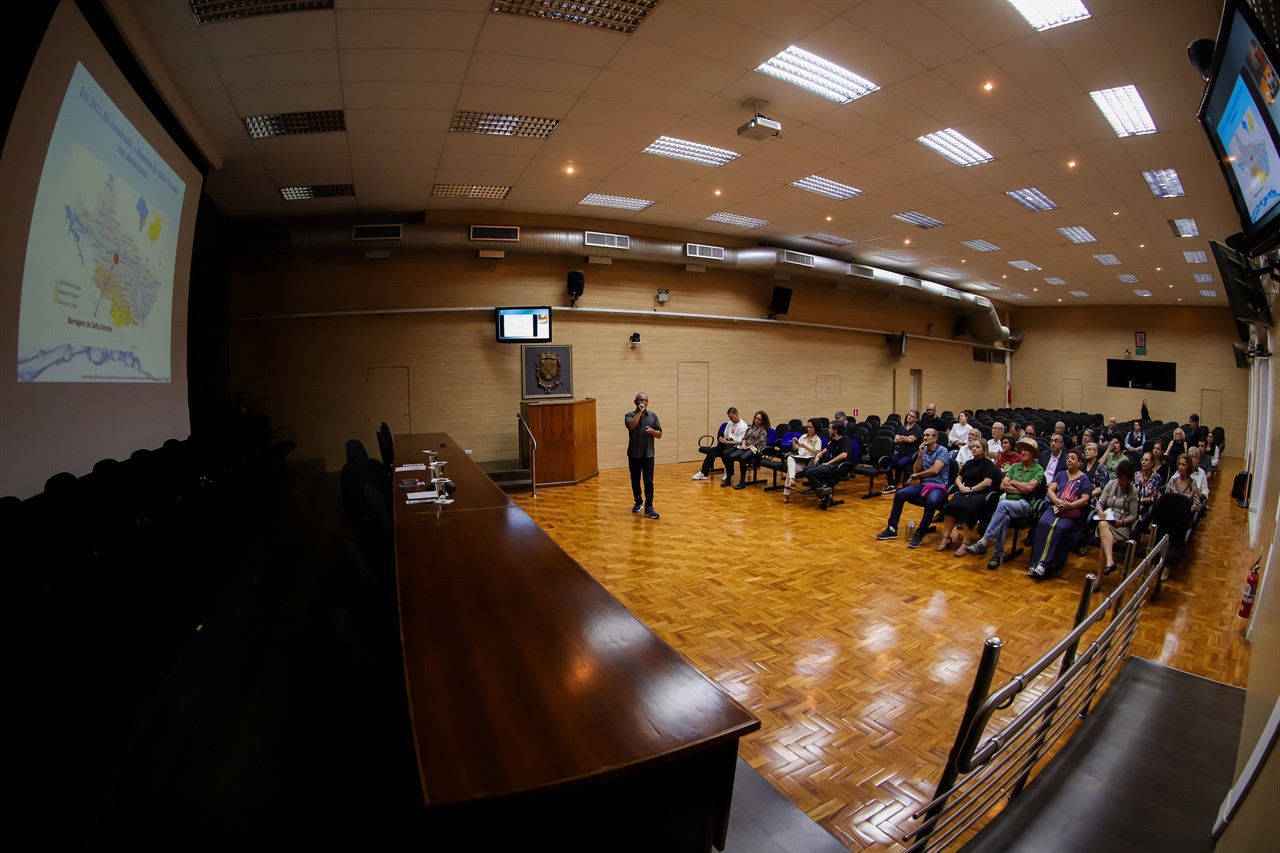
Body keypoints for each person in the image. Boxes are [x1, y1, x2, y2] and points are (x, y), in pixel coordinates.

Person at [966, 437, 1045, 571]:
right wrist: (1021, 488)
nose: (1023, 452)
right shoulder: (1015, 467)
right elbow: (1003, 485)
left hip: (1025, 505)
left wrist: (1013, 482)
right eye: (1022, 449)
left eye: (1027, 450)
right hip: (1010, 504)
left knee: (1002, 505)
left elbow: (1030, 488)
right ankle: (996, 556)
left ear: (1033, 453)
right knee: (1004, 517)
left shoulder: (1038, 470)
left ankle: (984, 541)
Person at [876, 427, 951, 548]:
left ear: (935, 438)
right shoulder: (923, 450)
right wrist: (920, 455)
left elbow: (935, 471)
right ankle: (892, 528)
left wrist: (919, 475)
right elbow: (916, 470)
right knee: (900, 494)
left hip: (938, 486)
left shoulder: (942, 450)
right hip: (925, 484)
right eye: (924, 435)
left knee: (931, 501)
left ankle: (919, 533)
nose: (925, 437)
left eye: (928, 435)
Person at [1027, 448, 1092, 578]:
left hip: (1071, 511)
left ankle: (1046, 564)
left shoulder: (1084, 479)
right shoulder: (1061, 474)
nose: (1069, 460)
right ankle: (1035, 563)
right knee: (1043, 523)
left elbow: (1085, 499)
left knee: (1059, 528)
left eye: (1073, 458)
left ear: (1079, 462)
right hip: (1055, 507)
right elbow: (1050, 490)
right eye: (1068, 458)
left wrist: (1071, 505)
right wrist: (1056, 501)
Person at [938, 438, 1002, 556]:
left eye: (977, 447)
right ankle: (946, 537)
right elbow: (959, 478)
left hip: (981, 493)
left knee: (967, 509)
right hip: (966, 490)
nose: (974, 449)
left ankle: (966, 542)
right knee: (950, 506)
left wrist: (971, 489)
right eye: (973, 447)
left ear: (984, 450)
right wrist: (961, 486)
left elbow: (987, 482)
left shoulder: (988, 464)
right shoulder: (969, 463)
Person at [1094, 459, 1140, 578]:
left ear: (1129, 480)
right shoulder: (1111, 484)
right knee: (1102, 524)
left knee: (1104, 542)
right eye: (1119, 478)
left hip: (1122, 526)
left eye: (1124, 480)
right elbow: (1100, 502)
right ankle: (1110, 562)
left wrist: (1123, 522)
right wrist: (1100, 511)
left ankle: (1100, 578)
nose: (1120, 482)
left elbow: (1133, 515)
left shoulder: (1134, 492)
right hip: (1107, 520)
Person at [625, 392, 662, 519]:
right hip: (634, 454)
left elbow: (659, 434)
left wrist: (652, 431)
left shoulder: (653, 416)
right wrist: (640, 412)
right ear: (635, 402)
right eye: (641, 400)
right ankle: (638, 502)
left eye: (645, 400)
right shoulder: (629, 415)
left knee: (649, 481)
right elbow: (631, 426)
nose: (643, 402)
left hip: (648, 455)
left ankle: (649, 507)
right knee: (635, 480)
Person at [803, 421, 853, 510]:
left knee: (810, 472)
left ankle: (823, 496)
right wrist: (818, 456)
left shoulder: (845, 439)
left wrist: (828, 463)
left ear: (835, 430)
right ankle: (824, 494)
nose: (828, 430)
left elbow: (844, 455)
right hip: (830, 466)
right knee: (806, 469)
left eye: (830, 428)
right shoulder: (833, 440)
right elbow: (822, 452)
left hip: (839, 468)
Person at [692, 407, 746, 480]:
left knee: (721, 452)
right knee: (712, 452)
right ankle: (704, 473)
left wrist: (727, 441)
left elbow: (739, 441)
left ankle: (729, 473)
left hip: (735, 447)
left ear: (736, 414)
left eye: (731, 417)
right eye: (729, 417)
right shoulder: (730, 423)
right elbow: (725, 433)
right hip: (727, 443)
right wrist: (724, 439)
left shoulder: (743, 426)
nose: (730, 419)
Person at [723, 410, 770, 489]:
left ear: (763, 421)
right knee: (731, 457)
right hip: (746, 447)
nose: (757, 420)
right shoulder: (751, 427)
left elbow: (759, 443)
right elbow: (744, 438)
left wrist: (748, 447)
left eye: (759, 419)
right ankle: (728, 478)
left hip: (754, 449)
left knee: (742, 458)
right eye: (756, 418)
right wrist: (743, 444)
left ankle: (742, 482)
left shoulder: (763, 431)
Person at [784, 419, 823, 502]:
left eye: (811, 427)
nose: (808, 429)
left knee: (790, 471)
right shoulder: (803, 436)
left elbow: (817, 453)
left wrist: (805, 447)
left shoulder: (817, 440)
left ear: (815, 428)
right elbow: (796, 449)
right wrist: (794, 443)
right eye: (807, 427)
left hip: (809, 463)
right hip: (799, 459)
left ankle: (786, 494)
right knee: (790, 458)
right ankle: (791, 480)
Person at [884, 409, 922, 492]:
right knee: (889, 463)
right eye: (909, 415)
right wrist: (906, 438)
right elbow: (895, 440)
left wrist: (901, 437)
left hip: (911, 454)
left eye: (912, 416)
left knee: (899, 464)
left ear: (916, 419)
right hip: (901, 452)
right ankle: (891, 484)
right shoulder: (902, 427)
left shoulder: (918, 429)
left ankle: (895, 484)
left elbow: (910, 440)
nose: (909, 417)